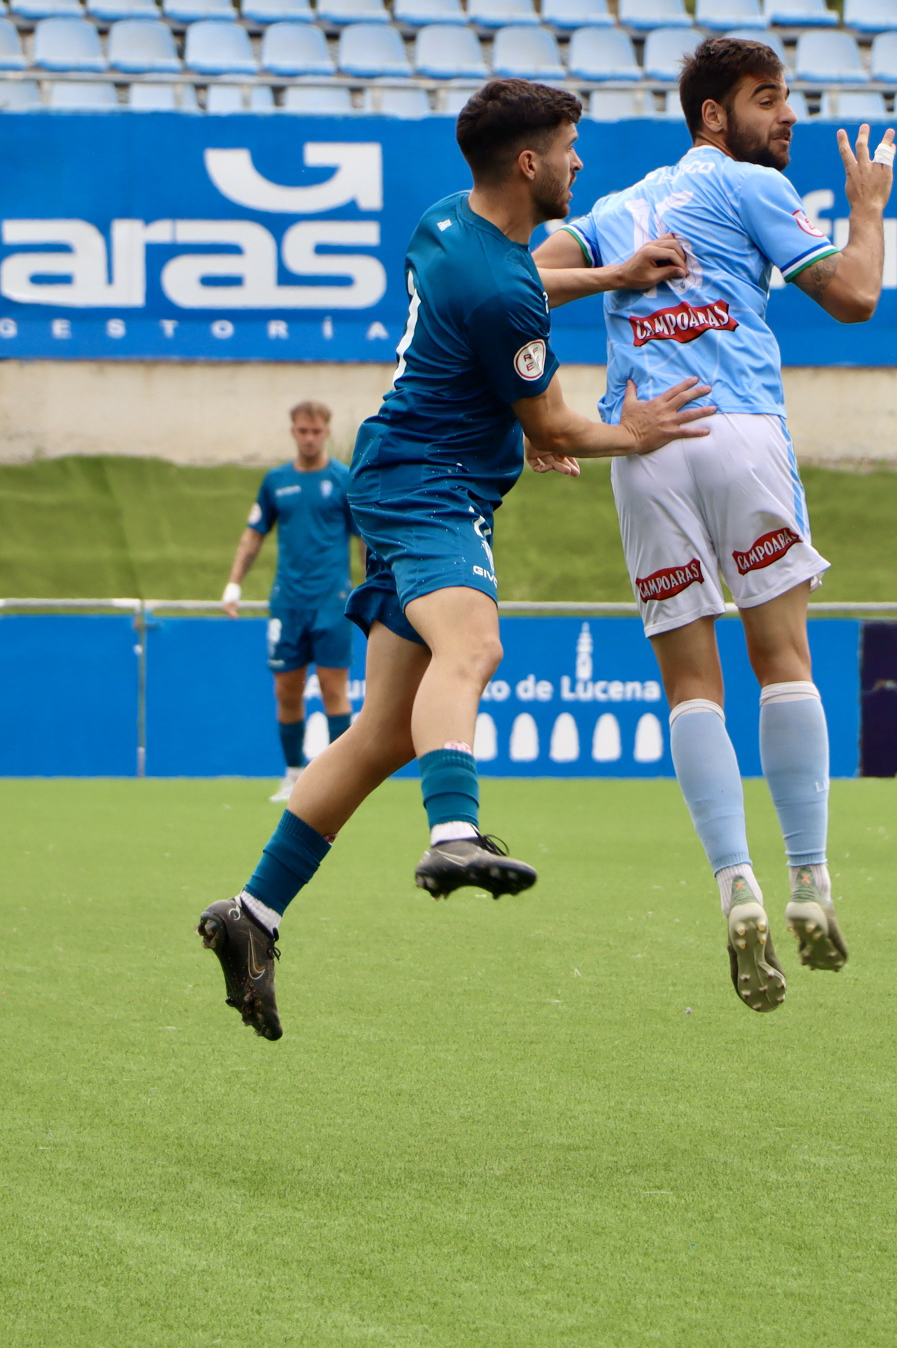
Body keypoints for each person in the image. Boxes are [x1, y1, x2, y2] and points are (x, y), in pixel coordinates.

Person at [197, 80, 714, 1043]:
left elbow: (518, 292)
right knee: (471, 647)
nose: (578, 162)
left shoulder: (449, 223)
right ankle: (452, 836)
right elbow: (552, 415)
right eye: (568, 147)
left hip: (403, 468)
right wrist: (630, 429)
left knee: (385, 730)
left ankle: (252, 913)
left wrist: (611, 277)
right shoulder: (501, 285)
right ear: (528, 163)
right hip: (432, 488)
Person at [530, 35, 897, 1014]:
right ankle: (809, 878)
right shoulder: (748, 188)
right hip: (736, 429)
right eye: (768, 99)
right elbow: (855, 296)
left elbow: (522, 285)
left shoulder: (611, 212)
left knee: (692, 684)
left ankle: (734, 885)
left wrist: (543, 411)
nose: (789, 118)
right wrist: (867, 215)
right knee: (784, 663)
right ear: (712, 117)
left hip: (642, 443)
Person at [223, 401, 359, 804]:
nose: (310, 437)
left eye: (316, 431)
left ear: (327, 433)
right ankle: (294, 774)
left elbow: (366, 538)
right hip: (287, 603)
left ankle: (340, 778)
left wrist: (380, 586)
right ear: (293, 432)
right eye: (302, 430)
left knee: (334, 688)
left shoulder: (343, 480)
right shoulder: (275, 481)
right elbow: (253, 534)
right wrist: (233, 584)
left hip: (332, 602)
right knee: (286, 690)